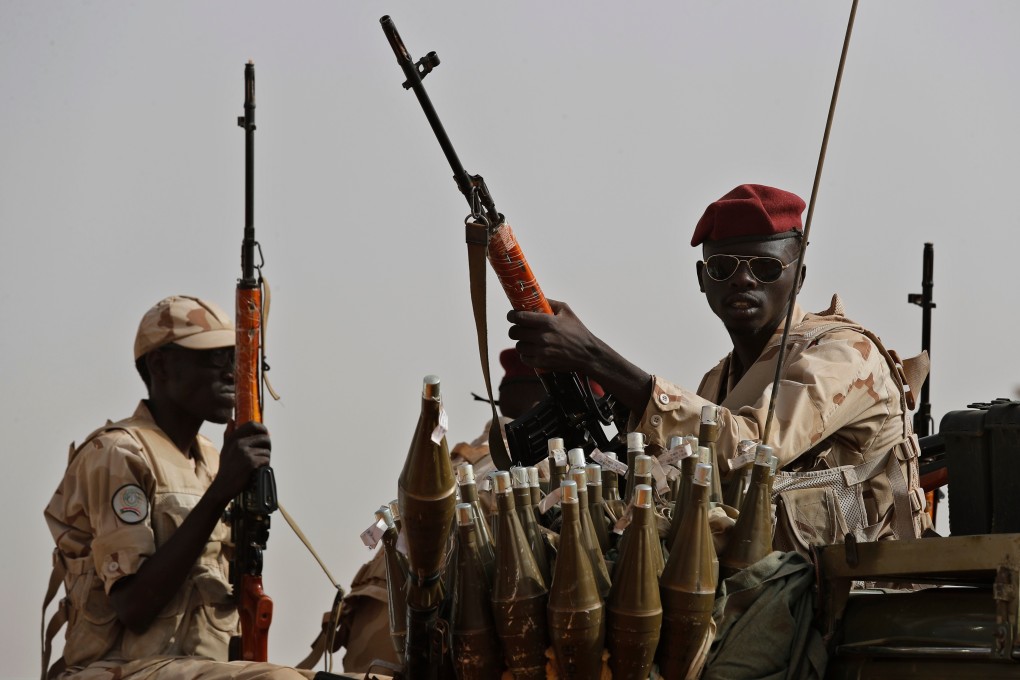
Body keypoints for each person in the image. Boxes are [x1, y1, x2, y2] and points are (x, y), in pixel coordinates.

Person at [507, 184, 931, 551]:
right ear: (702, 278)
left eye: (765, 268)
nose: (743, 280)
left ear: (799, 276)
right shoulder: (719, 381)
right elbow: (680, 477)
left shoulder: (843, 354)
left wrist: (594, 356)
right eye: (723, 267)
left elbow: (755, 449)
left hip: (867, 591)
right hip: (773, 585)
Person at [42, 296, 324, 680]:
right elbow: (134, 607)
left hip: (201, 668)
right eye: (213, 358)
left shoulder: (211, 458)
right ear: (160, 365)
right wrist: (222, 490)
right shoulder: (119, 453)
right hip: (116, 668)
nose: (232, 373)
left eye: (235, 359)